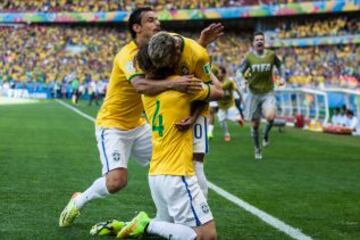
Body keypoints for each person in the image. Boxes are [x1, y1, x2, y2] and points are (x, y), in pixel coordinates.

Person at [59, 7, 223, 227]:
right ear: (136, 28)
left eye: (158, 19)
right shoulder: (128, 54)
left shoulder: (157, 52)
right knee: (116, 182)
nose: (157, 23)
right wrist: (176, 84)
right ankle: (79, 200)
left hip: (140, 124)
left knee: (176, 163)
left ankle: (163, 221)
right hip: (113, 124)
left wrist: (200, 45)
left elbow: (187, 58)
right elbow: (140, 85)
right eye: (150, 20)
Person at [93, 31, 224, 240]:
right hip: (177, 173)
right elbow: (218, 91)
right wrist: (201, 53)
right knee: (206, 236)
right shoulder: (185, 87)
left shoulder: (148, 94)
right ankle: (146, 225)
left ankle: (137, 225)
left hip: (156, 174)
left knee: (168, 223)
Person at [238, 32, 286, 159]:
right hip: (253, 94)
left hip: (268, 92)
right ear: (253, 43)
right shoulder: (249, 57)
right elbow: (239, 71)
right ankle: (257, 148)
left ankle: (265, 135)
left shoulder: (271, 55)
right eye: (257, 40)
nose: (259, 41)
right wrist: (241, 81)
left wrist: (282, 78)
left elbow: (280, 66)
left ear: (264, 42)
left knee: (270, 117)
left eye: (261, 39)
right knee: (255, 125)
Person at [215, 66, 244, 142]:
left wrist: (241, 97)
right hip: (221, 105)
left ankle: (238, 119)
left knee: (233, 118)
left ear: (224, 74)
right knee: (221, 121)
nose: (217, 74)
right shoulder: (215, 81)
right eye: (217, 73)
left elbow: (236, 89)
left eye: (219, 73)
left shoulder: (229, 82)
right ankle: (227, 135)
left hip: (230, 104)